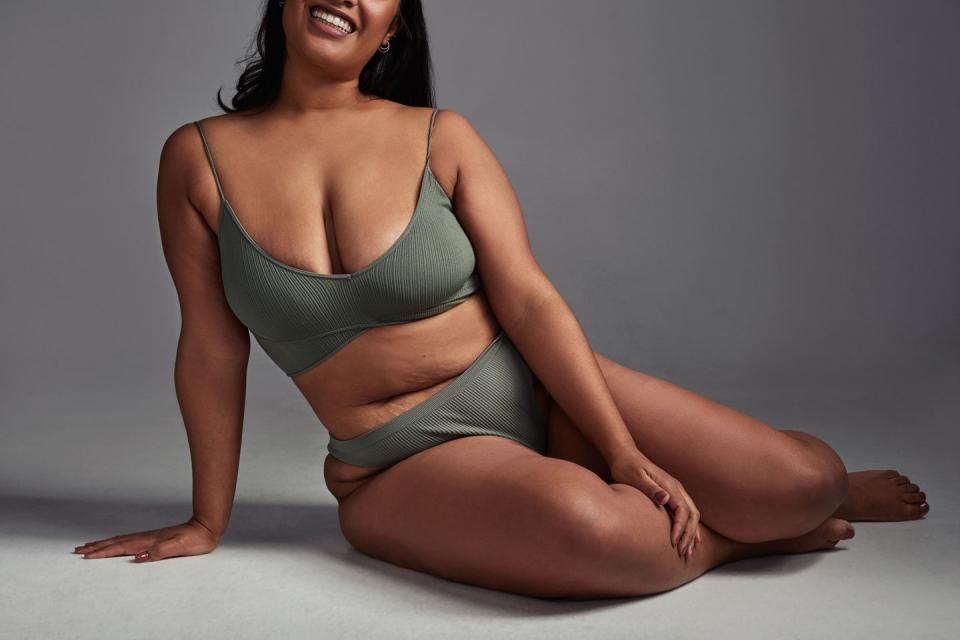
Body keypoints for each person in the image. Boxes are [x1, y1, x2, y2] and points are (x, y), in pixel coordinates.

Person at [73, 0, 929, 599]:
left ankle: (805, 503)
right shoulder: (196, 158)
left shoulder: (441, 136)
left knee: (804, 478)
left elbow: (528, 299)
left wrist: (622, 449)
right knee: (601, 537)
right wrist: (206, 521)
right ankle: (755, 537)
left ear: (392, 22)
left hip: (534, 386)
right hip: (400, 465)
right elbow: (212, 347)